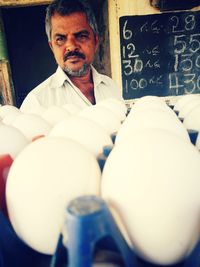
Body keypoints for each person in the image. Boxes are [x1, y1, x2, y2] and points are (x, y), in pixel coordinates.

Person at [20, 0, 123, 113]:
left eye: (81, 36)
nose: (71, 46)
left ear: (96, 41)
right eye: (60, 39)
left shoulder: (111, 87)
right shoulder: (37, 102)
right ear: (52, 47)